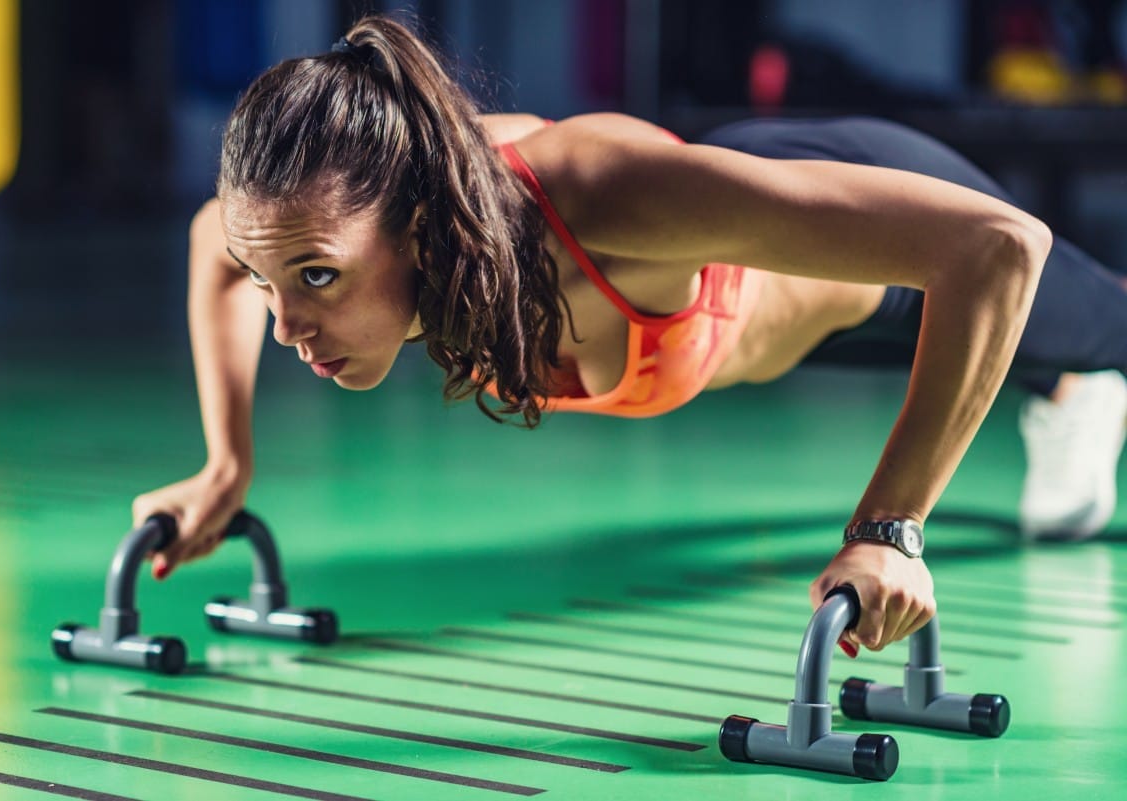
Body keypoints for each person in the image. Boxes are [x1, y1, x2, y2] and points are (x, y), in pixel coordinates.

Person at [132, 14, 1126, 657]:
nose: (289, 325)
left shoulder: (597, 192)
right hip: (767, 320)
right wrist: (227, 464)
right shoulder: (310, 219)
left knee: (1105, 326)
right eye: (273, 283)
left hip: (863, 248)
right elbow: (209, 242)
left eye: (315, 279)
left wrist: (888, 532)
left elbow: (996, 248)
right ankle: (1067, 394)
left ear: (423, 221)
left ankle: (1077, 379)